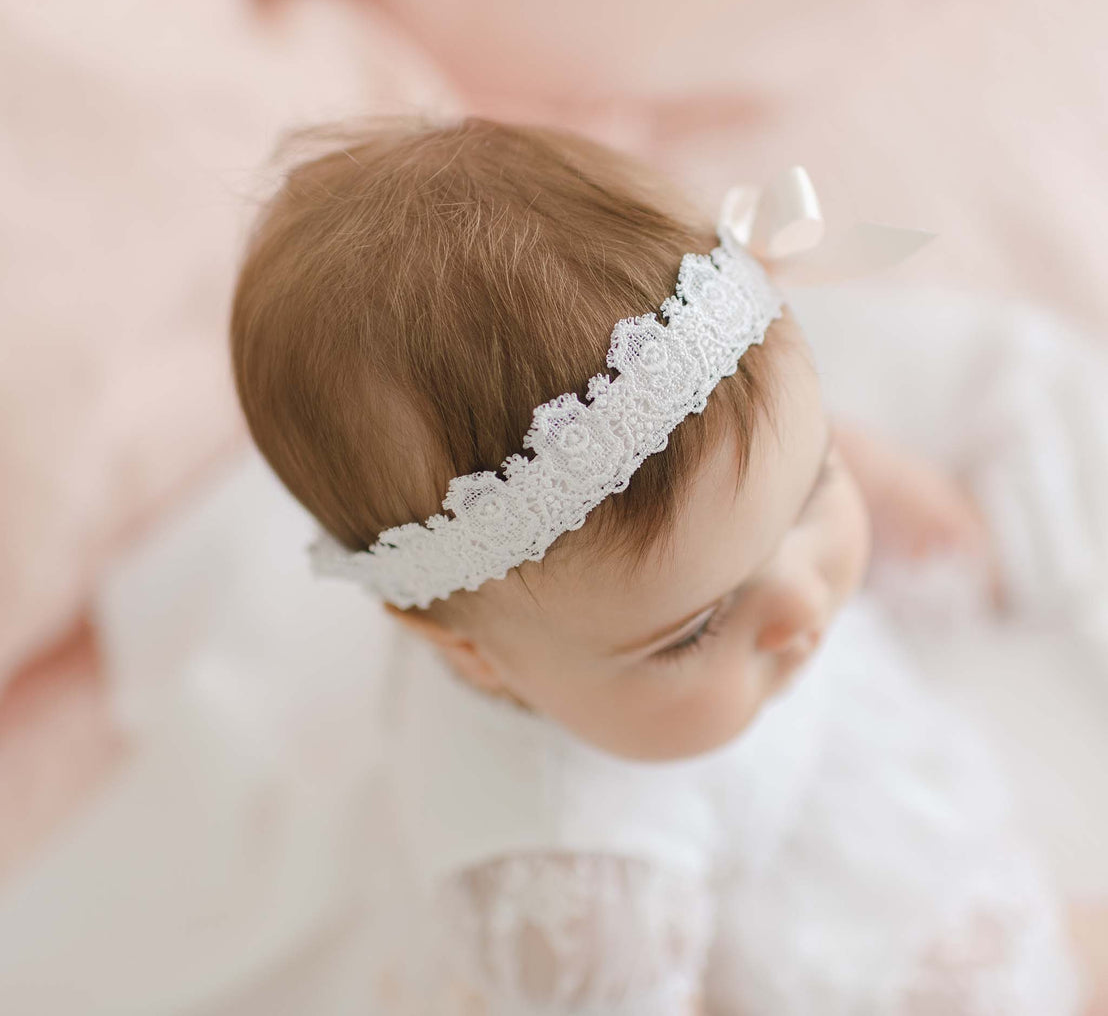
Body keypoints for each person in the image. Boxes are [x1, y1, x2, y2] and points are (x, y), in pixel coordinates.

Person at [229, 116, 1091, 1013]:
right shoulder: (577, 883)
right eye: (697, 627)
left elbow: (873, 483)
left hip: (836, 792)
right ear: (471, 652)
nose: (805, 609)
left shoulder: (696, 522)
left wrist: (924, 527)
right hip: (780, 938)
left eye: (810, 493)